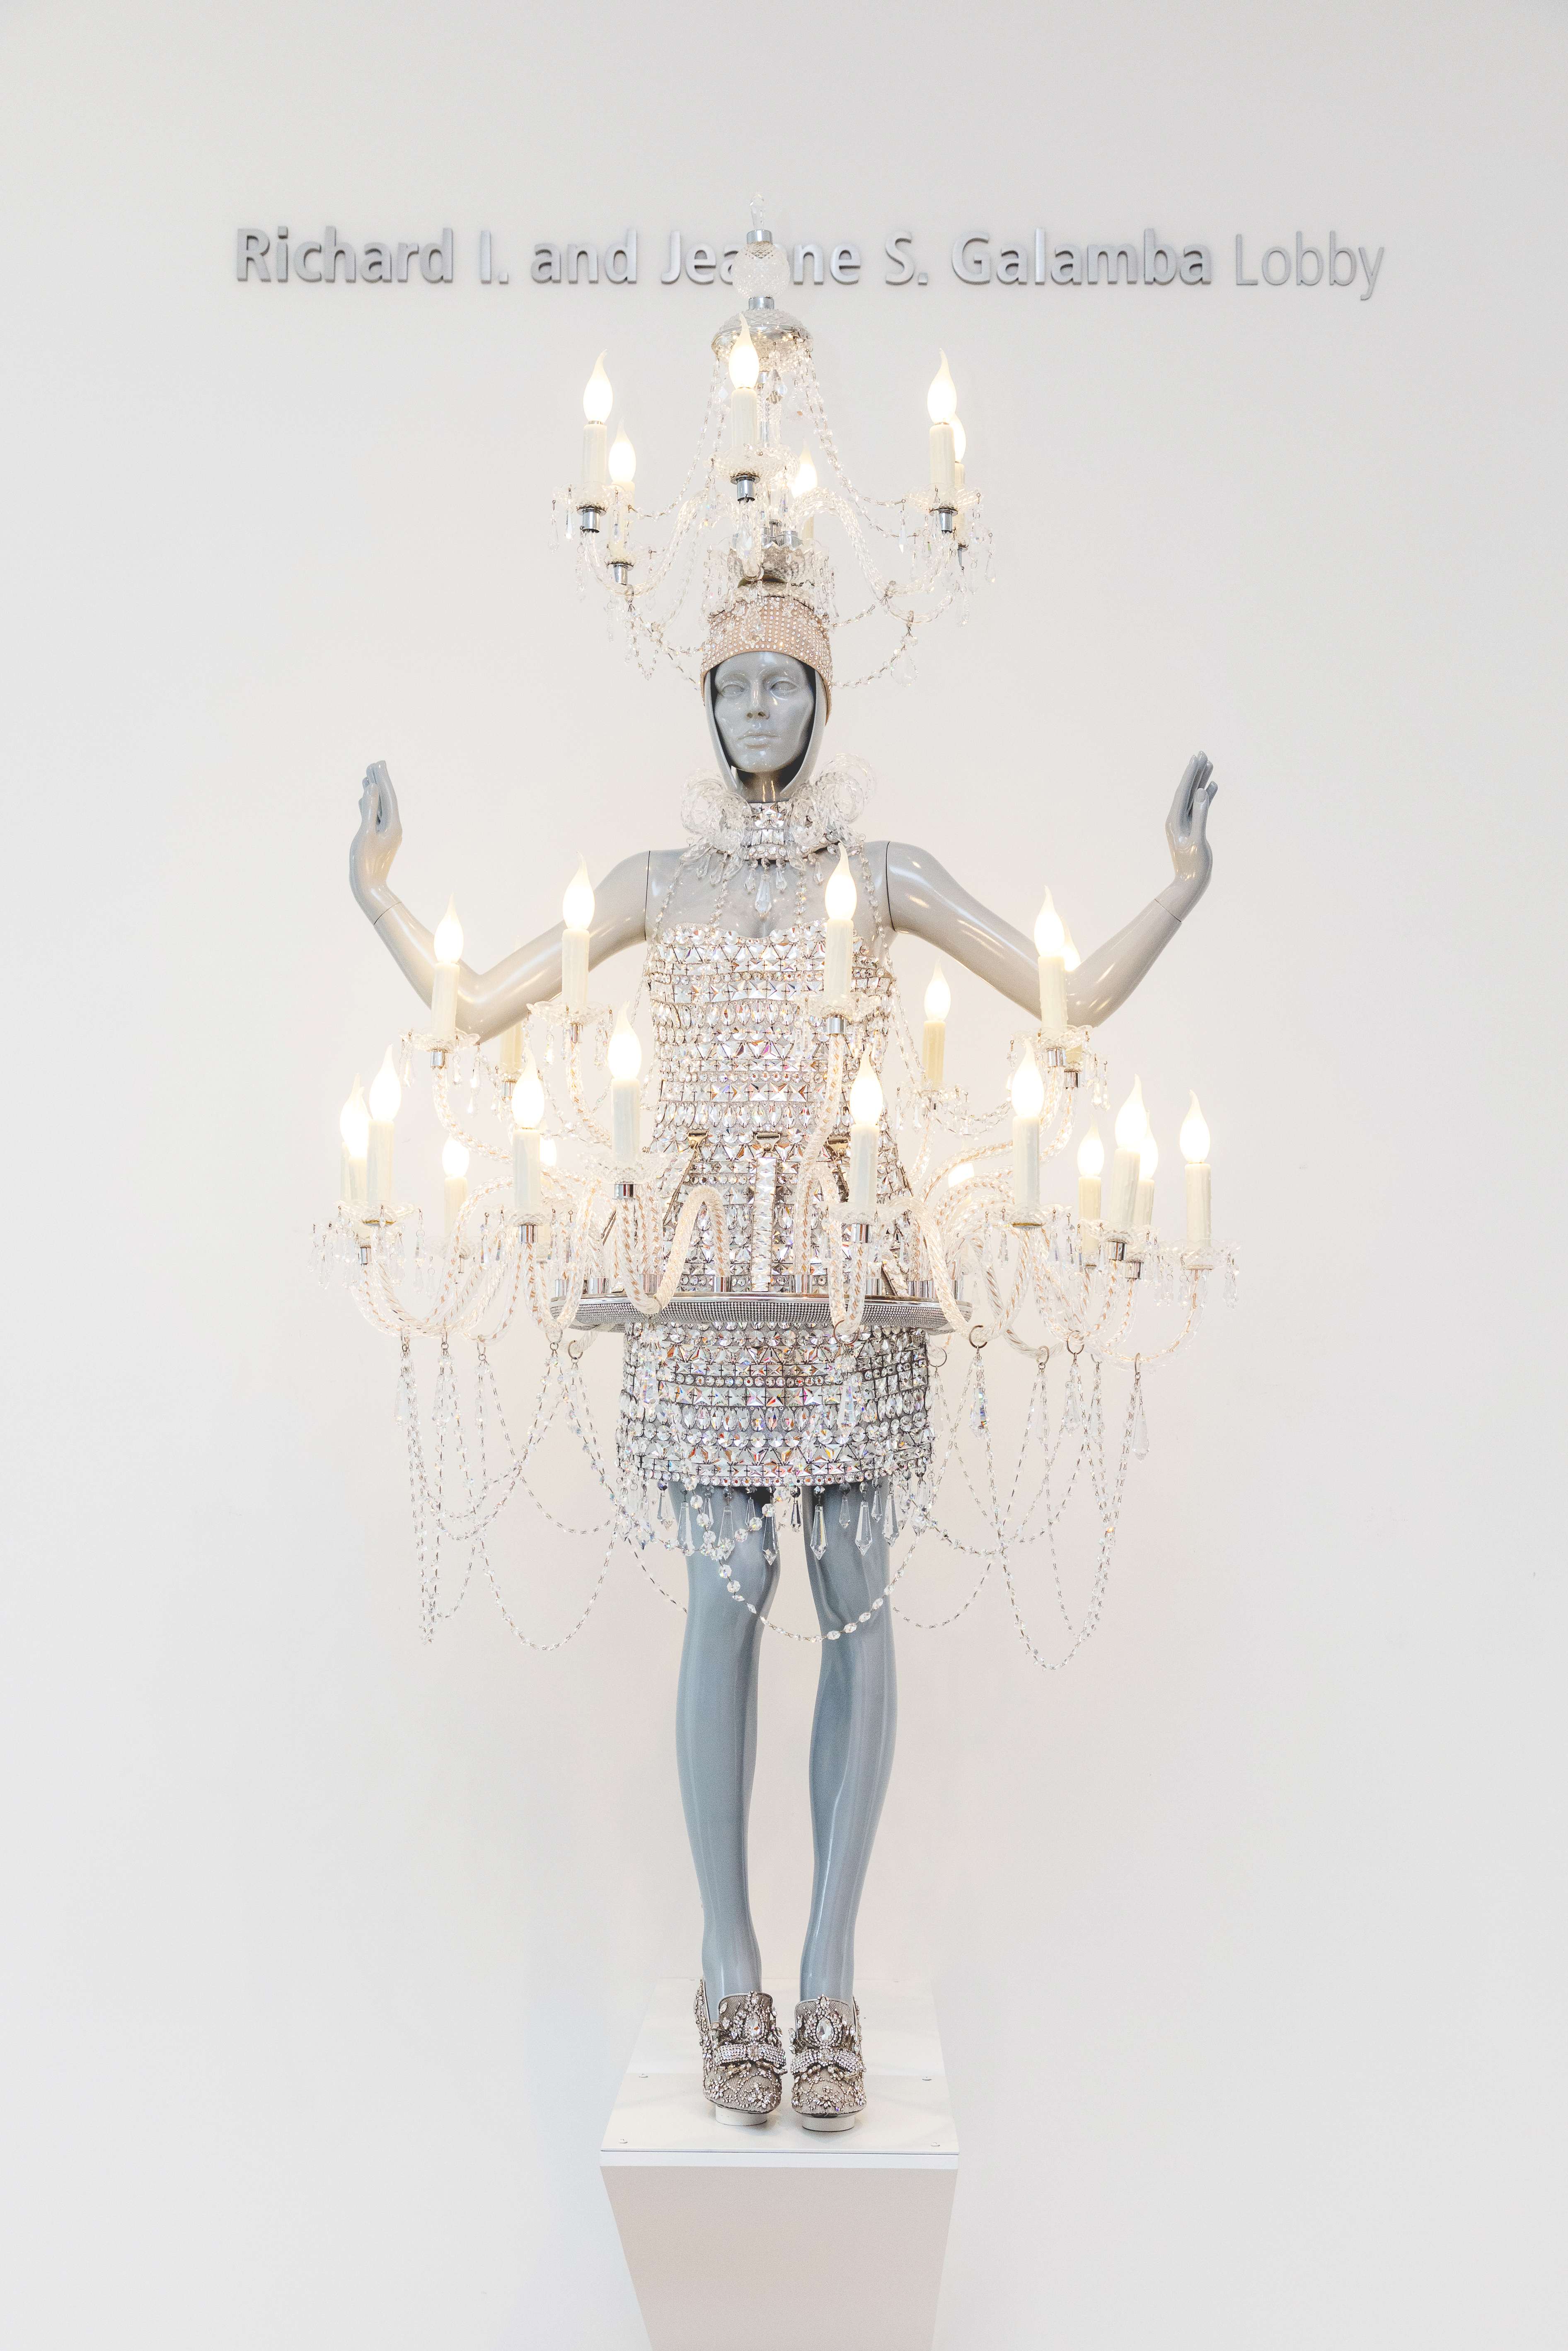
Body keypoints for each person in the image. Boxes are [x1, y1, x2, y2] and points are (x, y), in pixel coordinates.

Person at [349, 586, 1217, 2128]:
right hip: (700, 1268)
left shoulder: (882, 876)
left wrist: (1182, 884)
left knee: (853, 1572)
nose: (758, 708)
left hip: (846, 1259)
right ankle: (728, 1955)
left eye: (783, 683)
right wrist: (378, 893)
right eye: (734, 685)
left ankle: (829, 1968)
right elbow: (478, 1006)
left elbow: (1063, 991)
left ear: (822, 697)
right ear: (707, 703)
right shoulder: (659, 884)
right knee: (727, 1577)